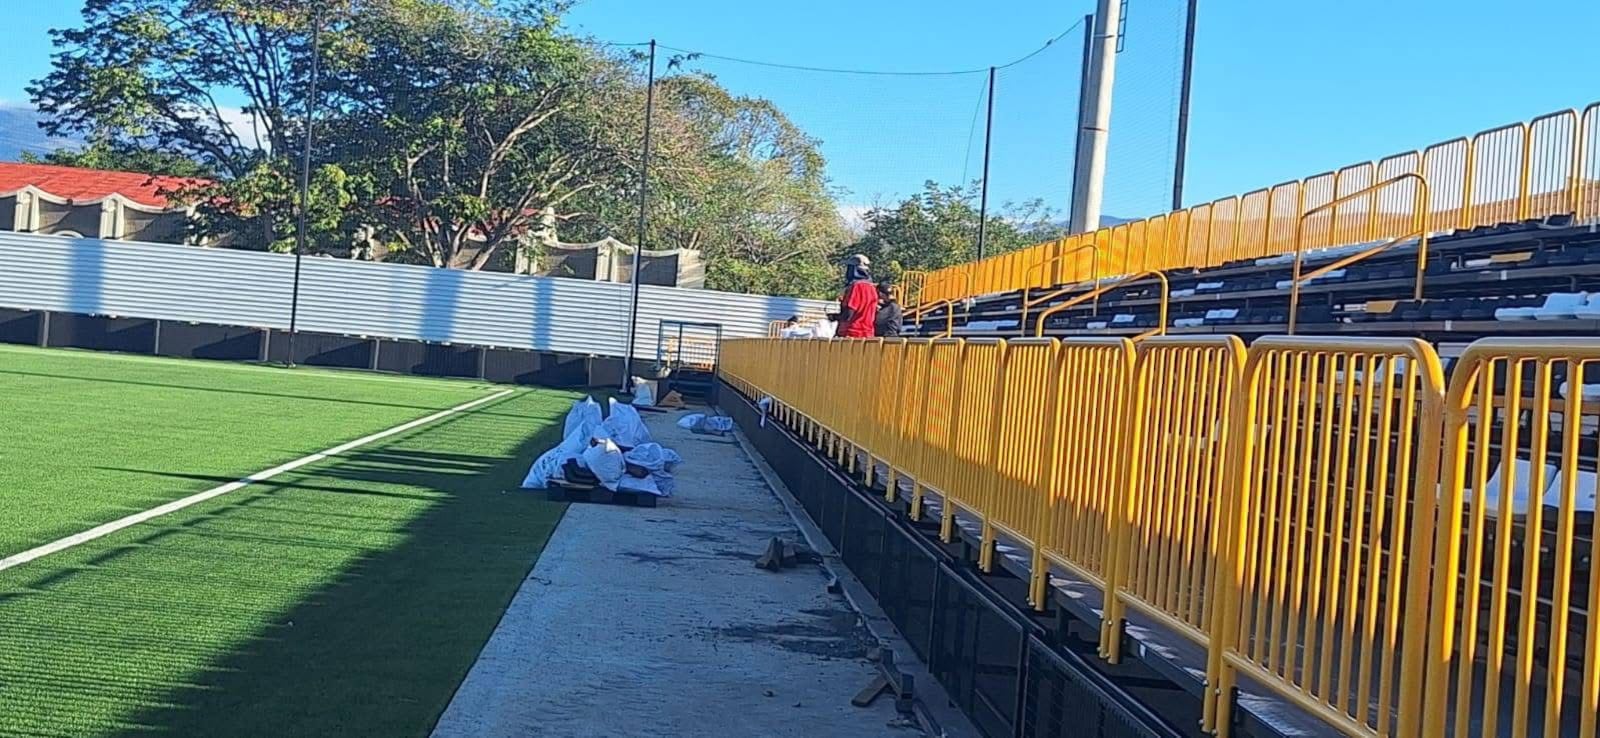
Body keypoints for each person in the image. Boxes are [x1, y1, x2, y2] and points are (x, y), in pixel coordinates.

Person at [835, 254, 879, 338]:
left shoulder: (857, 287)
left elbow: (849, 314)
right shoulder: (872, 288)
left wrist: (835, 317)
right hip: (867, 333)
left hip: (852, 333)